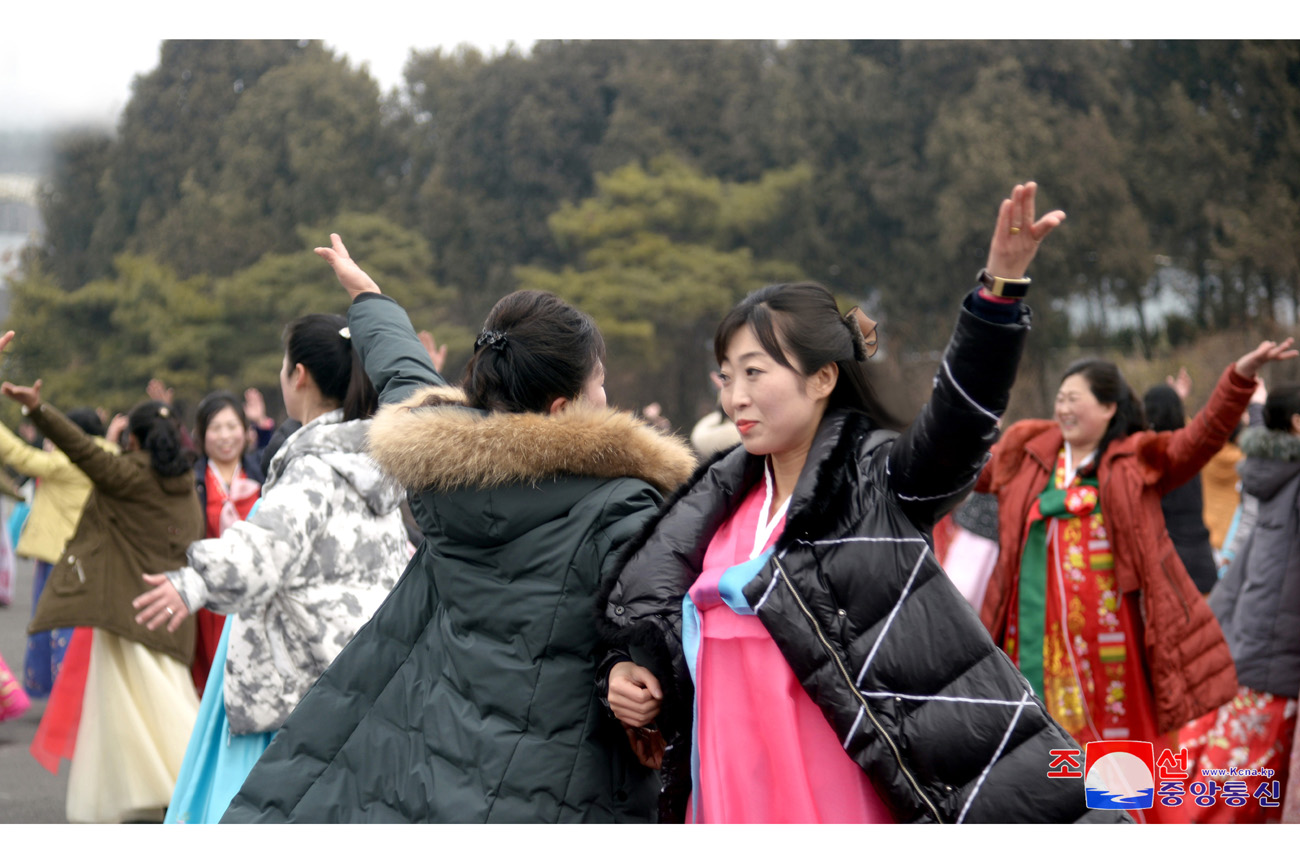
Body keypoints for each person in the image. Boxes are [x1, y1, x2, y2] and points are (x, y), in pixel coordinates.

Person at [599, 183, 1123, 823]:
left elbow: (958, 425)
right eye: (727, 375)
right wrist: (632, 671)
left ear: (822, 378)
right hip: (726, 791)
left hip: (839, 792)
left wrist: (998, 296)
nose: (735, 395)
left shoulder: (875, 480)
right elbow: (656, 619)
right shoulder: (713, 506)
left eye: (755, 372)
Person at [222, 234, 696, 823]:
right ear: (559, 409)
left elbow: (403, 373)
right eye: (596, 381)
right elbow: (656, 618)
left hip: (433, 752)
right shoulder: (621, 505)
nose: (607, 394)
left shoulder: (446, 468)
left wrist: (370, 301)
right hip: (556, 785)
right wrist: (633, 671)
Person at [976, 338, 1294, 822]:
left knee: (1117, 761)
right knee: (1040, 757)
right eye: (1059, 399)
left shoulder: (1134, 462)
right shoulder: (1029, 457)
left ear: (1108, 407)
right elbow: (960, 469)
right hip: (1033, 647)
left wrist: (1240, 378)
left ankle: (1125, 833)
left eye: (1073, 399)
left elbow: (1201, 437)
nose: (1062, 408)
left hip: (1112, 652)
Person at [129, 314, 411, 824]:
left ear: (297, 375)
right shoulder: (374, 465)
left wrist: (192, 581)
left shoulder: (315, 465)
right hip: (363, 681)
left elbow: (262, 552)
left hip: (294, 687)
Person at [2, 331, 205, 823]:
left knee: (135, 715)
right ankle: (170, 795)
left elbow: (81, 451)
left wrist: (36, 409)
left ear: (130, 440)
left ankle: (188, 790)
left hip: (128, 612)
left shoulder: (130, 477)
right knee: (161, 705)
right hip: (174, 614)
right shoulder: (183, 485)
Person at [1176, 383, 1300, 823]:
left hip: (1248, 641)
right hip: (1274, 656)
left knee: (1225, 782)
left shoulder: (1272, 475)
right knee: (1241, 794)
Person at [0, 407, 116, 697]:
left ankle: (64, 693)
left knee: (56, 624)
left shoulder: (70, 462)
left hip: (59, 555)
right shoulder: (109, 456)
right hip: (92, 555)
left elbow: (20, 456)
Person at [186, 390, 266, 694]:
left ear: (245, 432)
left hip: (253, 593)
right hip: (209, 599)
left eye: (232, 426)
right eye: (216, 428)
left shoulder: (261, 473)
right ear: (201, 435)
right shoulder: (193, 481)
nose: (225, 436)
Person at [1142, 383, 1219, 594]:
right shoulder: (1192, 451)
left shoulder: (1145, 456)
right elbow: (1189, 434)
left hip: (1165, 558)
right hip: (1200, 556)